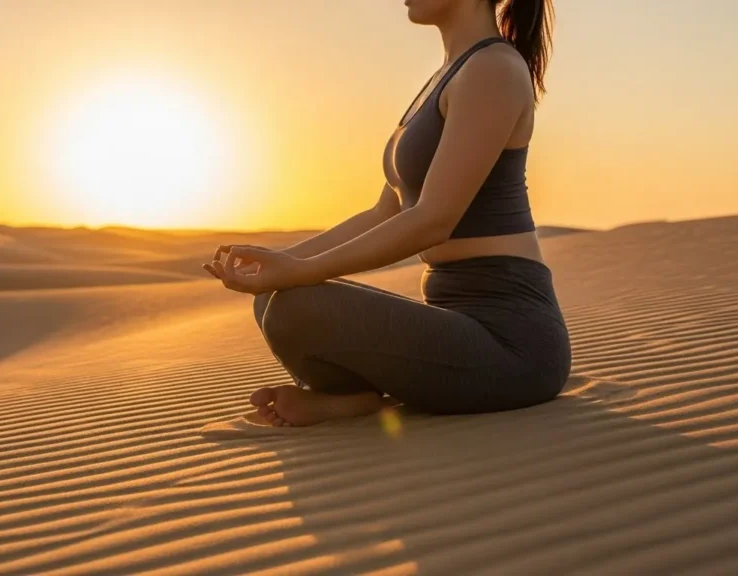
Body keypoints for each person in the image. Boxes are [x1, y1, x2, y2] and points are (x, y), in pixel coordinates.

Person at [204, 0, 570, 427]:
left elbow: (434, 220)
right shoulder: (448, 75)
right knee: (270, 297)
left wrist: (300, 271)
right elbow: (386, 210)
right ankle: (351, 398)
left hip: (512, 342)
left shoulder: (494, 68)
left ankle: (349, 400)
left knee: (295, 307)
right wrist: (282, 262)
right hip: (453, 319)